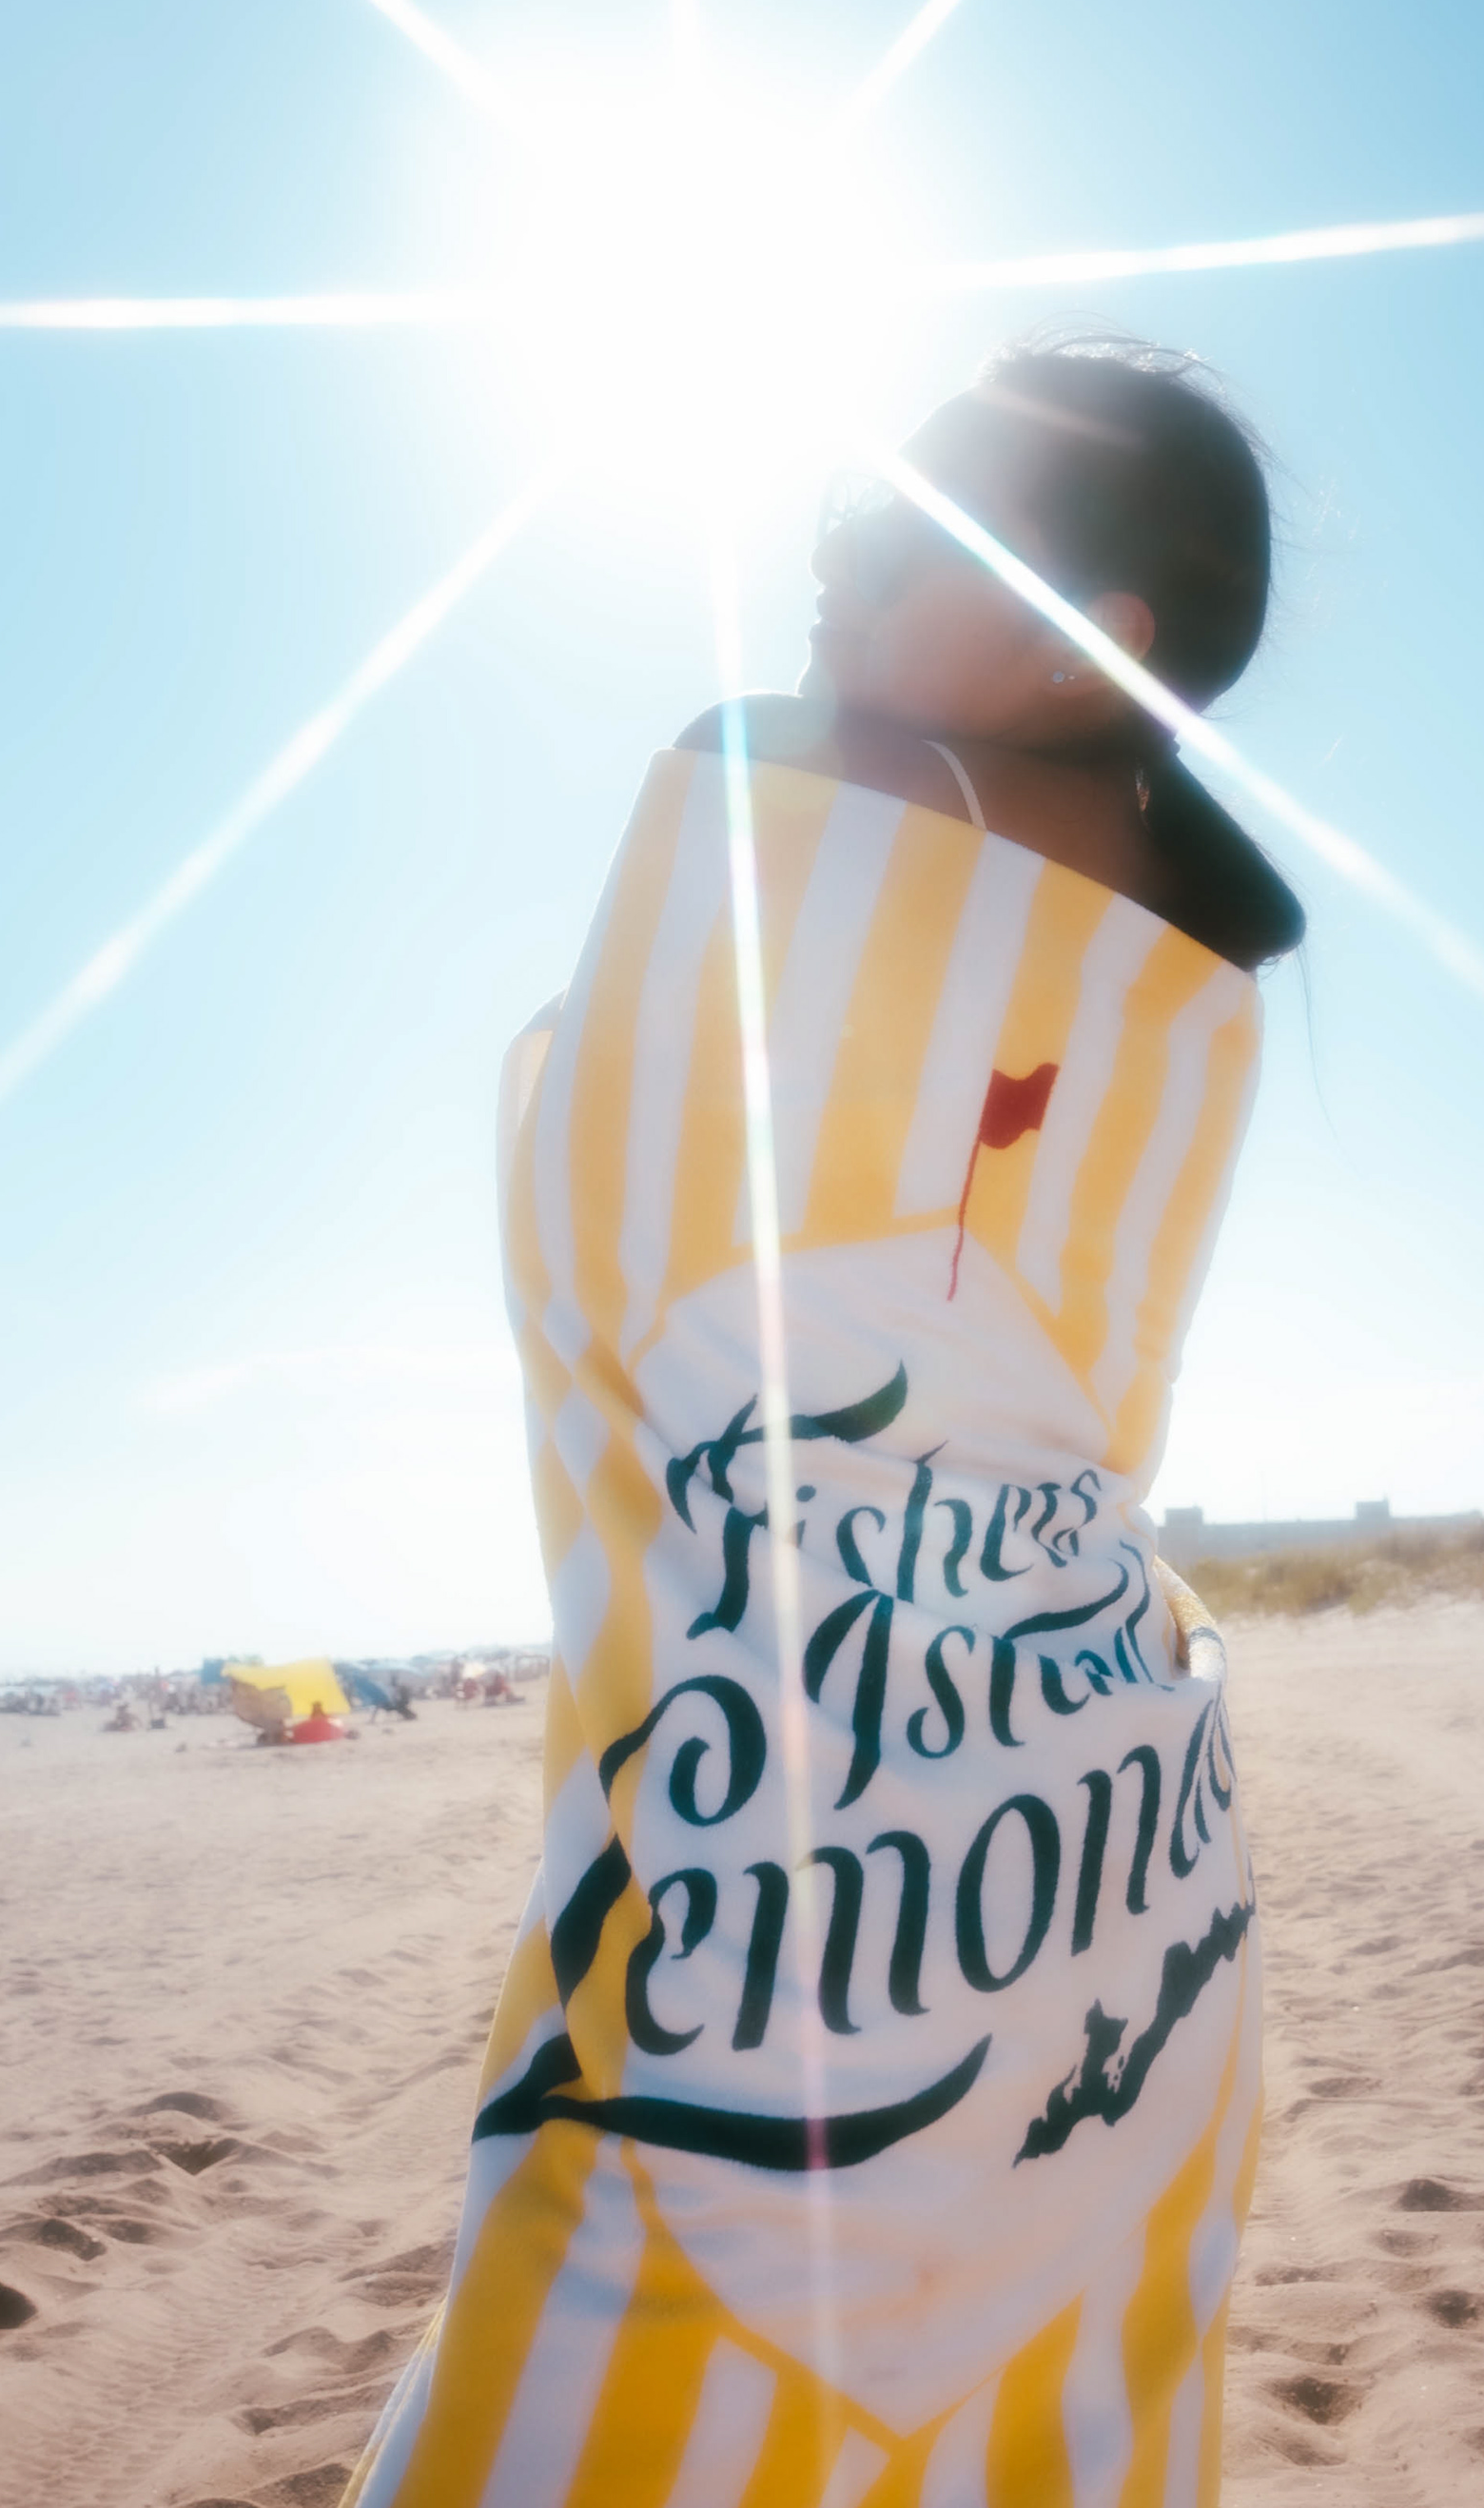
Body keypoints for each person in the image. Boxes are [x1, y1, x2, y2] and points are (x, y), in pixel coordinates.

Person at [345, 340, 1301, 2508]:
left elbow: (613, 1223)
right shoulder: (1205, 961)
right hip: (1114, 1890)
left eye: (906, 518)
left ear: (1084, 639)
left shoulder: (784, 798)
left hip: (792, 1946)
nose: (834, 546)